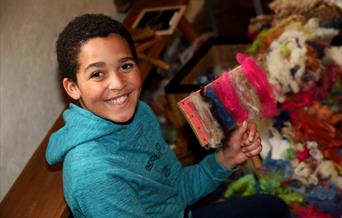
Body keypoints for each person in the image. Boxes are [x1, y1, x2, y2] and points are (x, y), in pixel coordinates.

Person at [46, 14, 290, 218]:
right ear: (72, 87)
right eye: (98, 74)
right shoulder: (95, 177)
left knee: (272, 208)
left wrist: (227, 158)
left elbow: (176, 189)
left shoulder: (139, 112)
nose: (118, 83)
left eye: (126, 66)